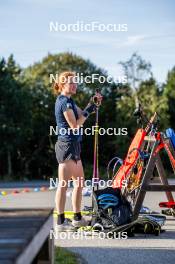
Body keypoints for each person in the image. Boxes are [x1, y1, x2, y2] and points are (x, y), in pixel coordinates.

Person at [54, 71, 102, 231]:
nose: (75, 85)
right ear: (62, 85)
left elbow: (83, 114)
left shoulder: (70, 101)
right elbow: (75, 125)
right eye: (71, 82)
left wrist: (93, 104)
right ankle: (61, 221)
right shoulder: (63, 102)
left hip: (75, 147)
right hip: (66, 146)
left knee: (80, 183)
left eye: (75, 82)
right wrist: (89, 110)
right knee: (63, 185)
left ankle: (77, 218)